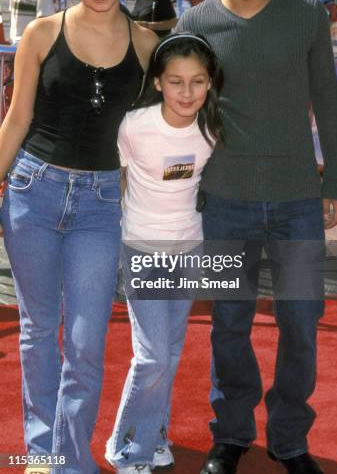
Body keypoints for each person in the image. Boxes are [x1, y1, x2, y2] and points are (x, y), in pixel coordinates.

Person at [175, 0, 337, 474]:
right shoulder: (195, 23)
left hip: (299, 199)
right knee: (229, 323)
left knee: (301, 321)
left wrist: (335, 186)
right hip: (224, 201)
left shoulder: (306, 16)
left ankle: (290, 438)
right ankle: (231, 433)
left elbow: (326, 96)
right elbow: (178, 107)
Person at [0, 0, 157, 473]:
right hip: (32, 194)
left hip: (98, 205)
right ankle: (42, 455)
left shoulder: (146, 44)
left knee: (87, 343)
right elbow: (16, 121)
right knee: (39, 331)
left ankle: (72, 458)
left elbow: (158, 131)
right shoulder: (41, 35)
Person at [105, 32, 224, 474]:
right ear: (157, 82)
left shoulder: (211, 127)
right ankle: (125, 446)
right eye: (176, 81)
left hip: (188, 247)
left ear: (210, 83)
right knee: (152, 354)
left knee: (171, 352)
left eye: (197, 81)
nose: (187, 92)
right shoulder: (134, 126)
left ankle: (155, 434)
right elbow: (115, 182)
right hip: (142, 246)